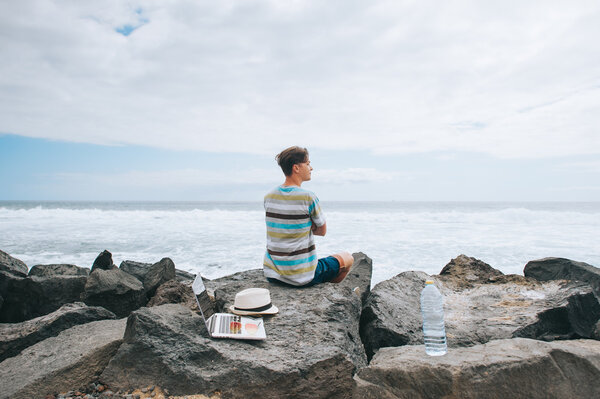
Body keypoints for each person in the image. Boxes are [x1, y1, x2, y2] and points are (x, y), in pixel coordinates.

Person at [263, 146, 354, 286]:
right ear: (296, 168)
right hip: (301, 276)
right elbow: (322, 231)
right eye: (307, 164)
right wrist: (307, 225)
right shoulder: (308, 197)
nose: (311, 168)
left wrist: (299, 226)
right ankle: (330, 293)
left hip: (273, 274)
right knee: (348, 258)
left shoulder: (269, 196)